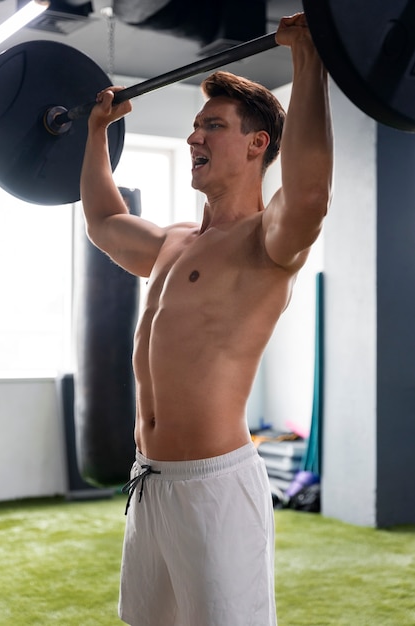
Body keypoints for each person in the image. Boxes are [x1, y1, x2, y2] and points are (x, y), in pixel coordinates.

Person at [80, 12, 333, 626]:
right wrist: (94, 133)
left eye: (211, 126)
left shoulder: (267, 244)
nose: (195, 137)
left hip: (213, 487)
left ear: (257, 144)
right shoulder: (173, 241)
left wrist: (310, 61)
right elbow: (104, 226)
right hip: (150, 482)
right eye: (195, 126)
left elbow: (307, 197)